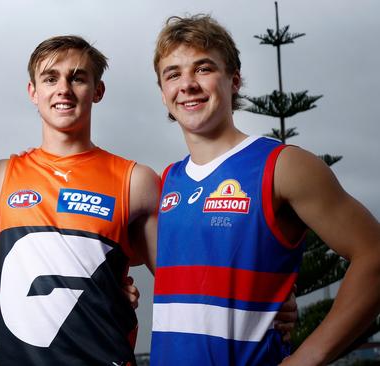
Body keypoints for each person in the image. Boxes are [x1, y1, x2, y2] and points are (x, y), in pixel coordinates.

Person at [150, 14, 380, 365]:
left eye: (203, 68)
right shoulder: (166, 182)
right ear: (163, 92)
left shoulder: (282, 166)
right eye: (173, 74)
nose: (187, 84)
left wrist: (307, 358)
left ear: (234, 80)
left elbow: (374, 255)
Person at [0, 35, 160, 365]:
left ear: (98, 90)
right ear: (33, 92)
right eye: (51, 78)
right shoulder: (1, 177)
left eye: (77, 77)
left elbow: (181, 278)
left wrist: (268, 304)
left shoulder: (136, 181)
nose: (63, 88)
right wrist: (24, 311)